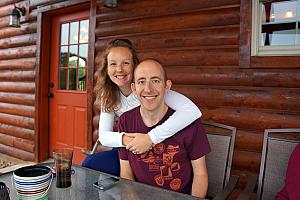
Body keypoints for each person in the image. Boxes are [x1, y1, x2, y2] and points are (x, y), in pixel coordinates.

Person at [82, 39, 202, 176]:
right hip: (130, 149)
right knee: (90, 163)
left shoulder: (148, 90)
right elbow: (104, 136)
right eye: (113, 64)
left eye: (125, 63)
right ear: (106, 69)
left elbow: (192, 111)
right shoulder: (108, 94)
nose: (119, 69)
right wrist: (130, 141)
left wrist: (150, 138)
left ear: (135, 66)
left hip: (162, 148)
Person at [118, 59, 210, 198]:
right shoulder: (126, 120)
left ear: (167, 86)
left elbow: (200, 174)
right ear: (134, 88)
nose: (148, 89)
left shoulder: (189, 122)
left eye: (155, 81)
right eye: (141, 81)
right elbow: (126, 172)